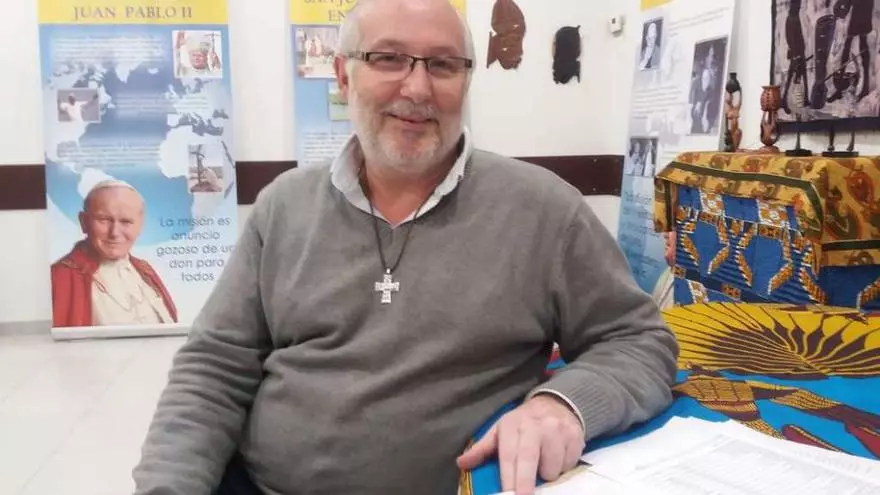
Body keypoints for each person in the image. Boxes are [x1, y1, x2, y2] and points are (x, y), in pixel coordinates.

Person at [132, 1, 679, 494]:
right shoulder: (284, 206)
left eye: (442, 64)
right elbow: (214, 367)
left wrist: (563, 405)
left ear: (466, 81)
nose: (417, 89)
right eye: (389, 58)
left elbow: (636, 340)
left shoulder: (544, 210)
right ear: (343, 76)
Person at [51, 180, 177, 328]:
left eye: (126, 222)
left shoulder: (145, 271)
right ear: (84, 222)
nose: (114, 233)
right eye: (104, 220)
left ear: (140, 225)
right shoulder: (60, 277)